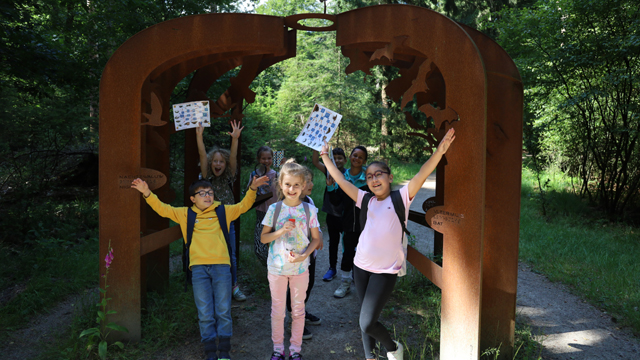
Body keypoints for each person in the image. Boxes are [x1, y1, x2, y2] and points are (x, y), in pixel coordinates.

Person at [320, 128, 456, 360]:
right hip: (360, 265)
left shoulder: (400, 197)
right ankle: (370, 357)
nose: (374, 179)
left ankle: (393, 348)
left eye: (379, 174)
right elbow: (341, 181)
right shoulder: (365, 199)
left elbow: (422, 173)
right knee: (366, 319)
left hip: (385, 271)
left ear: (390, 177)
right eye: (370, 176)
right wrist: (325, 157)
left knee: (366, 321)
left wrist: (440, 151)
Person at [131, 175, 268, 360]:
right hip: (198, 269)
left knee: (223, 310)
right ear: (192, 199)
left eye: (210, 192)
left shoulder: (223, 211)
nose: (207, 196)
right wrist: (146, 192)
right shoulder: (185, 214)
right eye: (202, 193)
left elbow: (243, 206)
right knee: (204, 312)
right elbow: (163, 209)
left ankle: (224, 352)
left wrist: (252, 189)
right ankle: (211, 352)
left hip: (221, 266)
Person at [260, 160, 322, 360]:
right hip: (276, 269)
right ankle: (278, 350)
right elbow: (263, 238)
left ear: (304, 186)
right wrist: (280, 231)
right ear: (280, 184)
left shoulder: (309, 210)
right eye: (288, 184)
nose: (292, 189)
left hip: (301, 269)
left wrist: (305, 255)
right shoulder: (274, 209)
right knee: (278, 312)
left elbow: (316, 239)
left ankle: (295, 351)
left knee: (298, 311)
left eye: (297, 185)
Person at [196, 119, 247, 301]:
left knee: (230, 254)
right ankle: (213, 286)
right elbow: (202, 155)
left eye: (221, 161)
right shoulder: (207, 176)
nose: (218, 164)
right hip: (209, 223)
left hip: (227, 220)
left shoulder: (229, 176)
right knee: (210, 255)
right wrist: (199, 135)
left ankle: (233, 286)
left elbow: (233, 158)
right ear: (211, 163)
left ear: (225, 164)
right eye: (214, 161)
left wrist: (235, 139)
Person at [327, 146, 369, 298]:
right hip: (348, 224)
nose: (356, 158)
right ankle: (345, 283)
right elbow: (336, 201)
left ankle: (365, 284)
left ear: (364, 161)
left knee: (366, 254)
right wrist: (331, 186)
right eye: (354, 155)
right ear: (349, 157)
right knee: (348, 253)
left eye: (360, 157)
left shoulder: (369, 178)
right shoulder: (342, 178)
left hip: (368, 226)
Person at [286, 166, 323, 340]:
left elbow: (315, 223)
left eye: (311, 180)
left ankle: (300, 311)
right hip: (294, 258)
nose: (311, 184)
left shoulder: (309, 201)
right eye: (307, 180)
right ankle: (294, 319)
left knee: (308, 286)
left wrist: (320, 234)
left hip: (309, 256)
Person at [311, 148, 347, 282]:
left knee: (347, 244)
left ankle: (348, 270)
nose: (337, 160)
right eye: (335, 158)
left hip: (345, 215)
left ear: (345, 160)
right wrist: (316, 146)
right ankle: (332, 268)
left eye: (340, 158)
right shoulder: (328, 171)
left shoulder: (347, 174)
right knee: (333, 243)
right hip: (331, 214)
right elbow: (315, 161)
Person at [248, 145, 279, 266]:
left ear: (272, 159)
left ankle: (278, 273)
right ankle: (272, 268)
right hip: (261, 214)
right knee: (259, 249)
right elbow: (248, 193)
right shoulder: (254, 174)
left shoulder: (277, 175)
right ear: (258, 159)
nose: (266, 161)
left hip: (275, 214)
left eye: (269, 158)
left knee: (276, 245)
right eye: (263, 158)